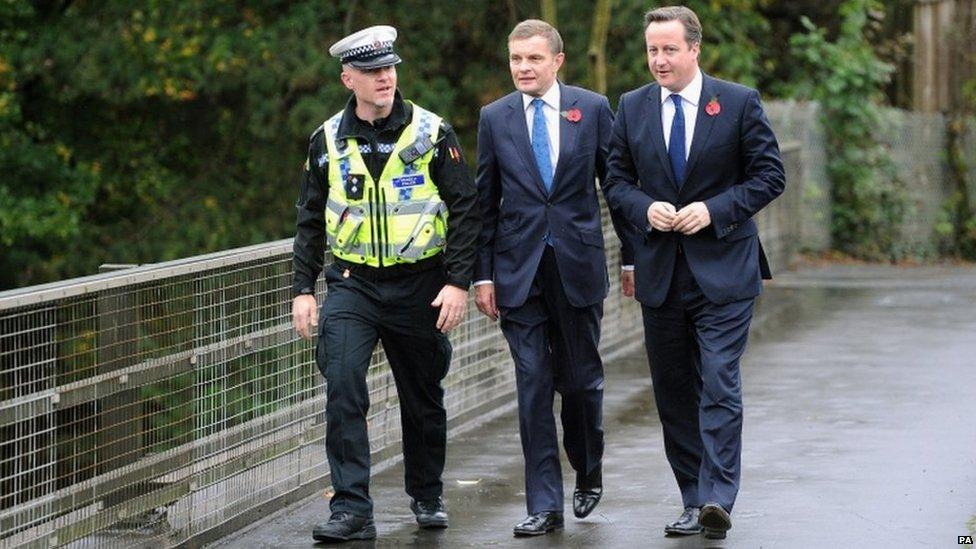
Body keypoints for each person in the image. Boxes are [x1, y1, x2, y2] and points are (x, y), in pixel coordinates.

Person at [291, 25, 480, 543]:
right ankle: (352, 508)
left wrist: (458, 281)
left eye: (390, 68)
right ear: (348, 78)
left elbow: (466, 208)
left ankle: (427, 493)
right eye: (373, 71)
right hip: (353, 285)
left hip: (421, 285)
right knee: (345, 388)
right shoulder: (326, 140)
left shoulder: (431, 132)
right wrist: (303, 288)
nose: (385, 78)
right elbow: (310, 218)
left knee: (422, 397)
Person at [602, 6, 785, 541]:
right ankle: (691, 497)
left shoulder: (737, 102)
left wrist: (714, 210)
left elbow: (770, 175)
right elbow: (616, 180)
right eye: (652, 50)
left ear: (694, 49)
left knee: (720, 381)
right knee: (674, 390)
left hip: (725, 270)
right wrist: (643, 209)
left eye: (669, 50)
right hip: (661, 273)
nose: (659, 60)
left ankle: (718, 497)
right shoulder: (632, 107)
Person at [473, 19, 633, 537]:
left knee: (582, 383)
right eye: (516, 59)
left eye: (533, 59)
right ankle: (544, 503)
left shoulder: (592, 109)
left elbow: (619, 190)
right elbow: (483, 204)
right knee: (533, 386)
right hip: (516, 274)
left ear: (557, 61)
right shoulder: (494, 118)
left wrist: (633, 259)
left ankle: (588, 470)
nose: (523, 68)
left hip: (577, 268)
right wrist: (481, 276)